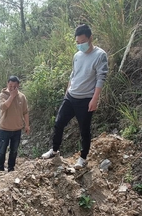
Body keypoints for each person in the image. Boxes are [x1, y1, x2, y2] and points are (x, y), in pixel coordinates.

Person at [41, 24, 108, 168]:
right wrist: (67, 91)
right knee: (59, 123)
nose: (80, 45)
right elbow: (73, 74)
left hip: (86, 99)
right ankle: (54, 150)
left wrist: (95, 99)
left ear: (90, 38)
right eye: (77, 42)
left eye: (82, 42)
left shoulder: (100, 55)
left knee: (84, 129)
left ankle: (83, 158)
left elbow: (101, 78)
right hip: (71, 96)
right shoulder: (77, 55)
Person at [0, 76, 30, 171]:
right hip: (4, 129)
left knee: (14, 150)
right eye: (10, 85)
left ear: (18, 86)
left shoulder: (22, 97)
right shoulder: (3, 95)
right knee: (2, 151)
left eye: (15, 86)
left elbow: (25, 112)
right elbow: (3, 107)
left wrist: (27, 125)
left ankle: (11, 168)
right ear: (7, 84)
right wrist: (11, 96)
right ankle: (0, 169)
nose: (12, 88)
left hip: (17, 130)